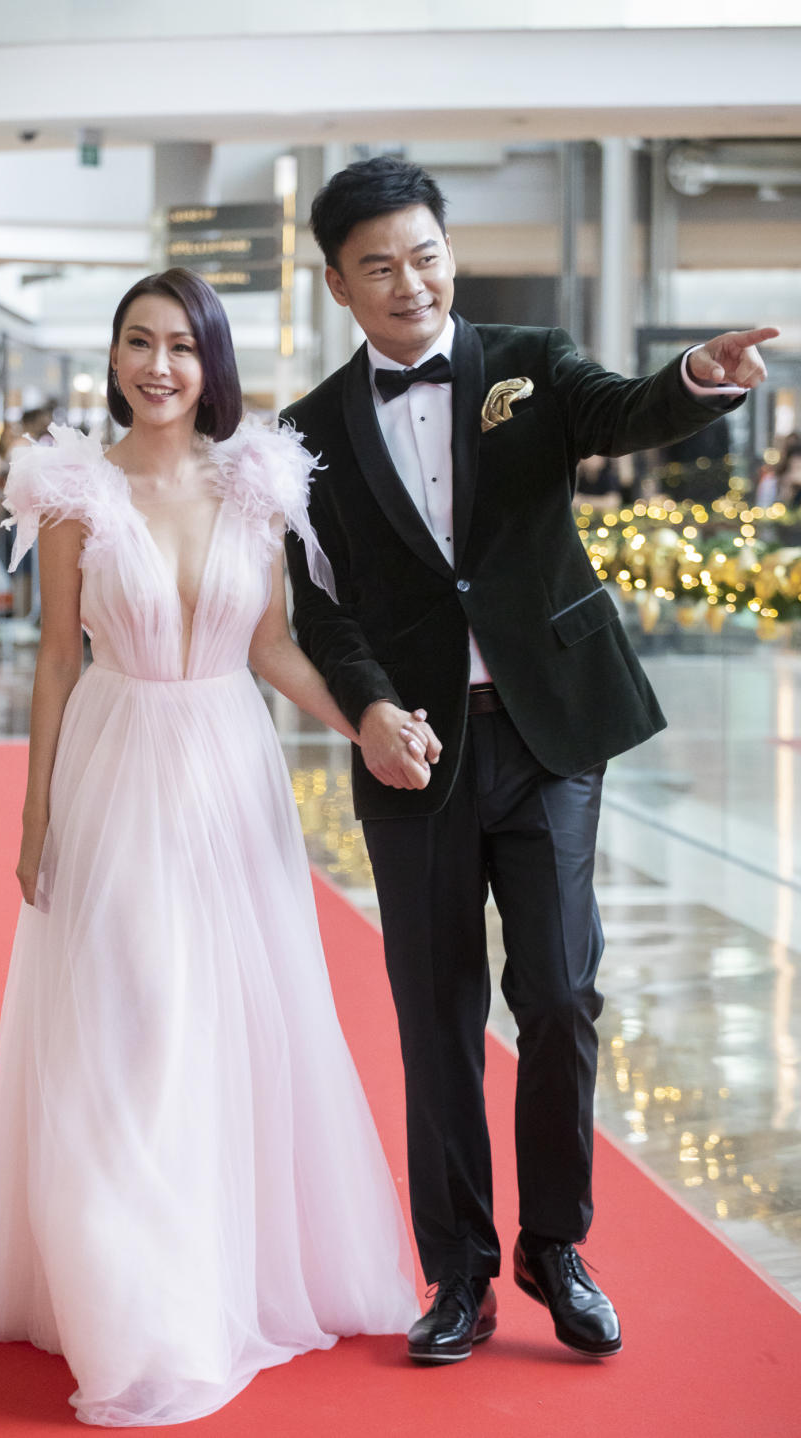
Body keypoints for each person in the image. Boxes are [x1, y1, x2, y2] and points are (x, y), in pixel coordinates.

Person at [281, 155, 777, 1366]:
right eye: (381, 266)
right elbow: (321, 610)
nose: (413, 282)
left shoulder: (531, 360)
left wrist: (696, 383)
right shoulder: (306, 436)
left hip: (552, 731)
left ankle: (558, 1246)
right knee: (434, 1014)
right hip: (416, 753)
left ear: (450, 252)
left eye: (428, 254)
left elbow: (620, 409)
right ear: (339, 283)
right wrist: (370, 712)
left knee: (558, 994)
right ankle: (458, 1274)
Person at [0, 268, 417, 1427]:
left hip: (228, 769)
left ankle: (212, 1273)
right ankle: (137, 1300)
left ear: (211, 363)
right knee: (132, 1021)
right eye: (137, 343)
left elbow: (274, 645)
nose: (157, 365)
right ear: (113, 359)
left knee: (225, 1021)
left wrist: (361, 722)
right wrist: (34, 816)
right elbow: (57, 661)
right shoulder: (69, 492)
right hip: (113, 770)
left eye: (180, 345)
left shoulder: (257, 484)